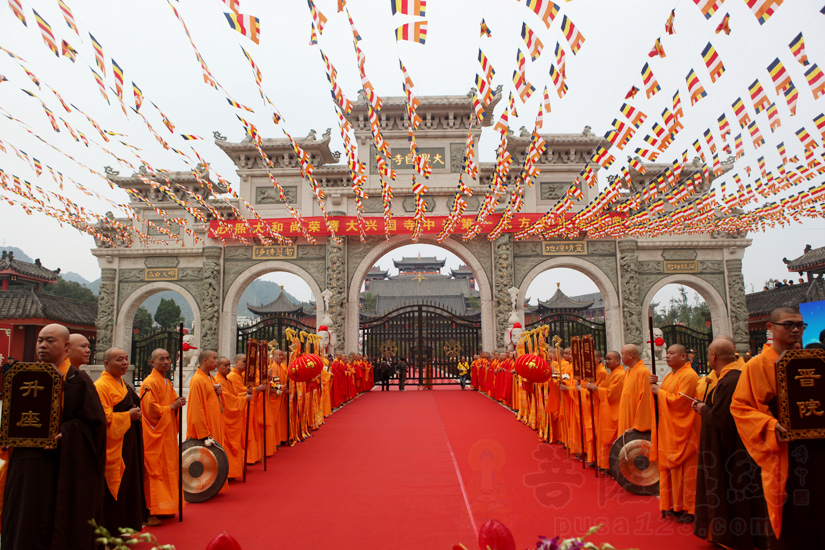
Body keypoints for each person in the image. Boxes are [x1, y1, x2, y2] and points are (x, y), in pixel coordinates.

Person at [1, 323, 106, 550]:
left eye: (50, 341)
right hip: (27, 464)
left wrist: (65, 433)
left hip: (63, 467)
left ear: (66, 346)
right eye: (40, 340)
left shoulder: (78, 381)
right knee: (25, 519)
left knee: (56, 523)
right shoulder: (23, 376)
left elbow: (94, 426)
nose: (43, 346)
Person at [731, 306, 824, 549]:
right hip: (783, 450)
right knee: (792, 509)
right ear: (770, 328)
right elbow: (741, 408)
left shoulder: (812, 361)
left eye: (799, 325)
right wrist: (770, 424)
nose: (796, 330)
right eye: (789, 324)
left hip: (818, 447)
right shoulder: (756, 365)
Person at [693, 338, 768, 550]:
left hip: (731, 448)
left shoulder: (729, 382)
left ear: (713, 357)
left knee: (735, 492)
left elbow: (721, 420)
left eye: (708, 355)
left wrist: (703, 410)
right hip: (740, 444)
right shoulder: (733, 377)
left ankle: (734, 537)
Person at [95, 347, 145, 533]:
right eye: (119, 360)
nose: (124, 363)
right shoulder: (101, 386)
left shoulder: (122, 383)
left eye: (126, 359)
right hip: (115, 444)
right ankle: (113, 530)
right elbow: (103, 418)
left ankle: (126, 527)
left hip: (128, 441)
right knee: (116, 487)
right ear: (106, 363)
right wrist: (127, 416)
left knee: (129, 484)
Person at [650, 344, 700, 524]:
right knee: (673, 472)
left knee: (687, 473)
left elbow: (681, 403)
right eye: (667, 353)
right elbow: (669, 394)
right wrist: (657, 386)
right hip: (671, 430)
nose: (668, 356)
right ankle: (673, 504)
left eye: (672, 353)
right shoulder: (672, 375)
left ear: (684, 356)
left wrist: (659, 392)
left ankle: (689, 508)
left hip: (685, 432)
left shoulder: (689, 375)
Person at [139, 348, 185, 526]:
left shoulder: (166, 381)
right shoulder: (150, 382)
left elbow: (172, 401)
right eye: (161, 359)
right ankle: (151, 510)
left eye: (167, 358)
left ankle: (166, 508)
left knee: (169, 471)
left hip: (167, 435)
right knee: (154, 472)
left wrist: (177, 403)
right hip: (155, 435)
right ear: (152, 362)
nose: (166, 362)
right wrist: (172, 407)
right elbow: (151, 410)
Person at [186, 350, 225, 483]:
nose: (217, 361)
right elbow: (196, 409)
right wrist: (203, 434)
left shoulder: (210, 377)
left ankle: (213, 484)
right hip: (206, 428)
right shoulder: (197, 380)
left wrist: (219, 392)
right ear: (205, 361)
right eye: (214, 359)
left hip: (214, 423)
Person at [586, 351, 625, 473]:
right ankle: (604, 463)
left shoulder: (620, 375)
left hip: (614, 410)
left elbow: (610, 393)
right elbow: (602, 387)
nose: (606, 362)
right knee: (603, 437)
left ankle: (609, 465)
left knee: (610, 438)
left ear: (617, 361)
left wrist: (595, 388)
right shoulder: (611, 374)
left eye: (609, 359)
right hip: (605, 409)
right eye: (606, 359)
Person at [215, 356, 252, 480]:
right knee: (227, 446)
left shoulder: (227, 380)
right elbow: (227, 399)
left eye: (228, 365)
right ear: (217, 366)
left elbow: (234, 394)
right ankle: (229, 472)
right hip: (226, 418)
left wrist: (244, 394)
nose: (227, 368)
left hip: (232, 419)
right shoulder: (217, 381)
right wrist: (244, 399)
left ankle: (234, 471)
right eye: (224, 366)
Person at [617, 344, 655, 436]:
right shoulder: (628, 371)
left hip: (635, 419)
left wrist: (639, 425)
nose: (621, 357)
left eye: (622, 354)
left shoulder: (643, 371)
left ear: (630, 355)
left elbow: (646, 399)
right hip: (626, 414)